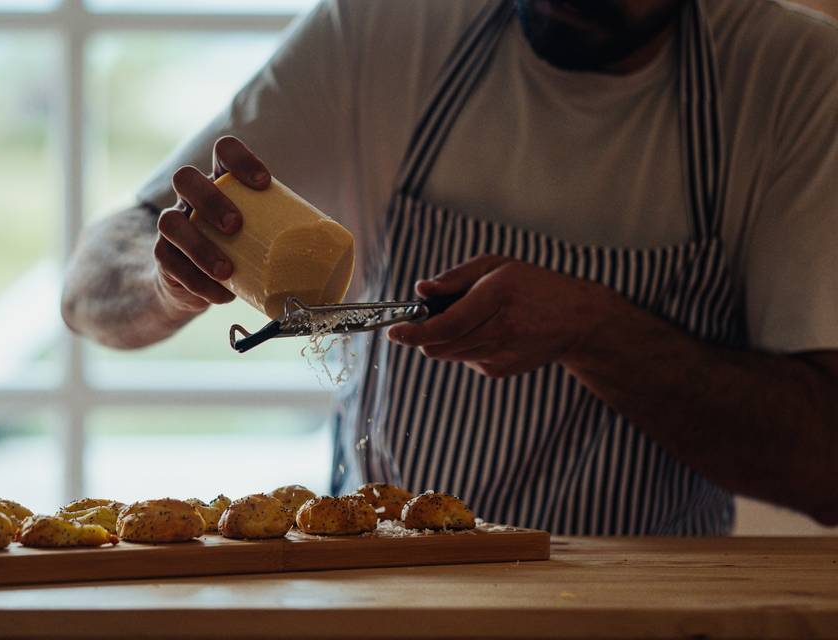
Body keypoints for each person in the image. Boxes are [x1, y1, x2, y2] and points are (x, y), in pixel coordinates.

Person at [61, 0, 838, 534]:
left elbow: (823, 466)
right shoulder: (388, 27)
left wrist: (595, 332)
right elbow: (91, 284)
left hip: (641, 611)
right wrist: (167, 280)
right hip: (384, 600)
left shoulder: (791, 77)